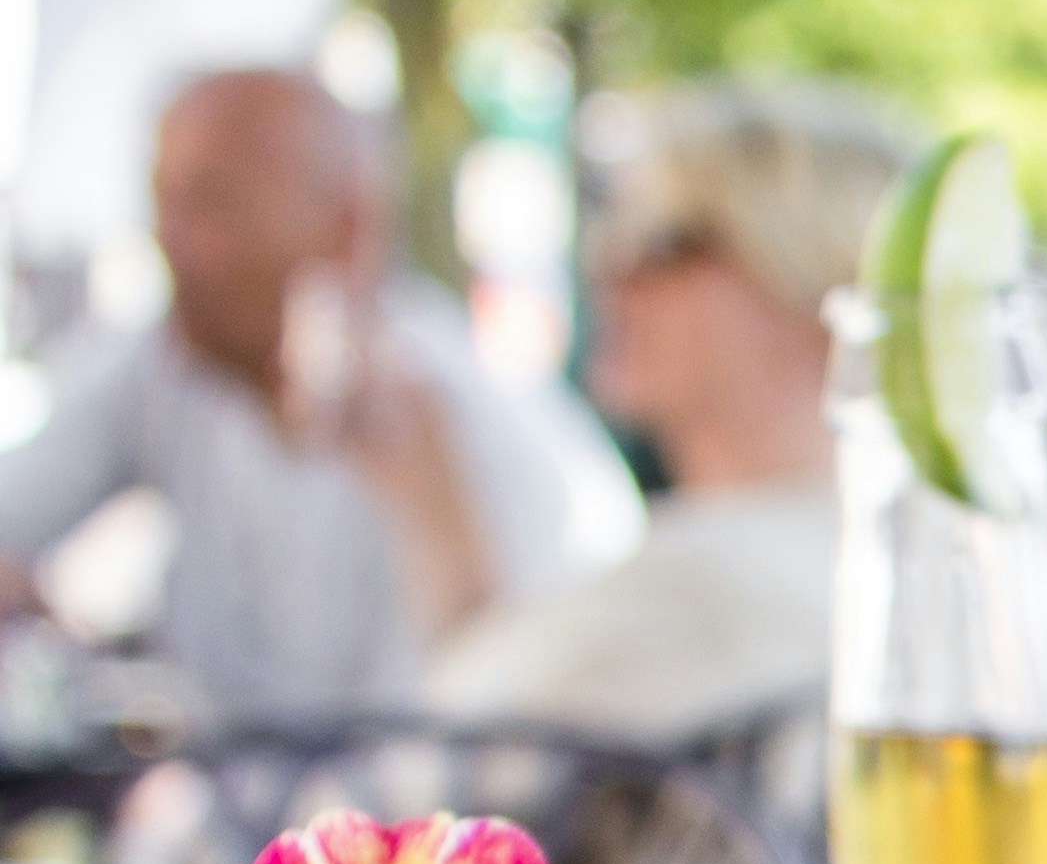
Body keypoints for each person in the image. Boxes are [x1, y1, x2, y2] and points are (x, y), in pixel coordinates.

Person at [0, 68, 635, 720]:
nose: (173, 240)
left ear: (348, 226)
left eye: (215, 204)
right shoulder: (166, 362)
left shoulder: (456, 420)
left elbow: (457, 750)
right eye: (164, 202)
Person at [423, 80, 912, 738]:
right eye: (609, 228)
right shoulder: (897, 560)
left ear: (814, 278)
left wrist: (426, 501)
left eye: (662, 240)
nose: (608, 268)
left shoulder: (714, 583)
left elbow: (425, 765)